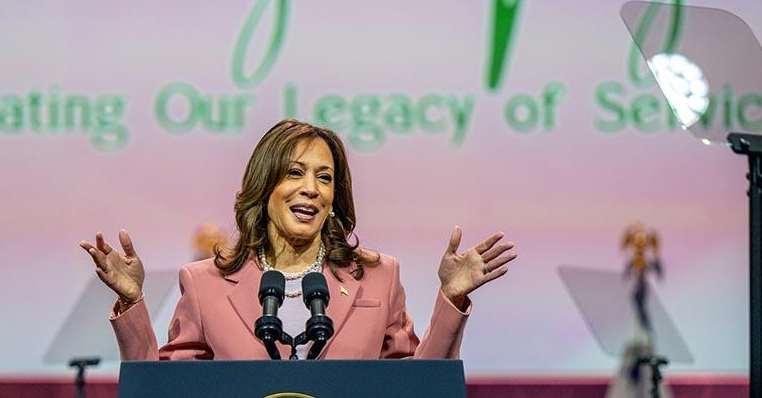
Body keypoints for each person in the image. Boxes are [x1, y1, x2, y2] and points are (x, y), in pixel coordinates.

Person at [79, 119, 516, 360]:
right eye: (294, 173)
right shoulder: (204, 282)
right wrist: (134, 304)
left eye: (324, 178)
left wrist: (450, 299)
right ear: (264, 187)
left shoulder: (379, 276)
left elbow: (414, 392)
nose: (311, 188)